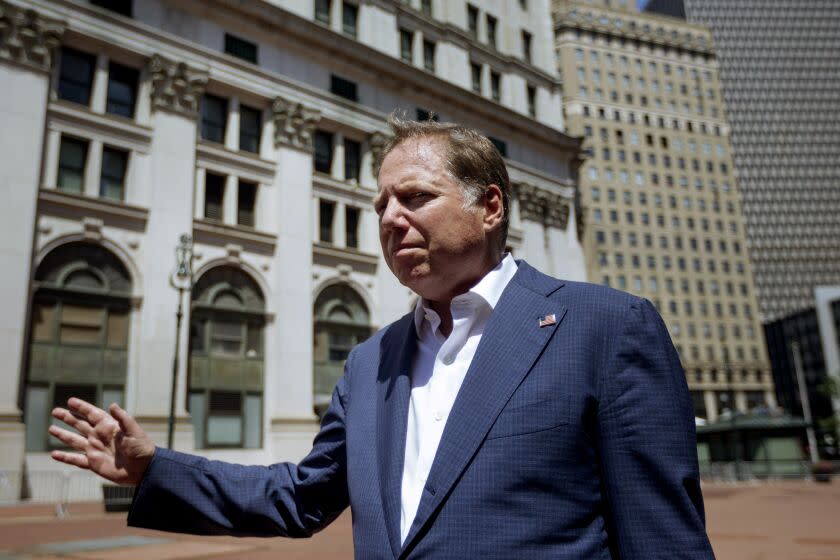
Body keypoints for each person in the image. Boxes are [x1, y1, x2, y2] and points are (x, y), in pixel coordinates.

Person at [50, 117, 714, 559]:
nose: (389, 219)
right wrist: (154, 469)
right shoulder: (370, 361)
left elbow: (663, 542)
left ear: (489, 207)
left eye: (415, 198)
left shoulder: (605, 327)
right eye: (380, 207)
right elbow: (303, 497)